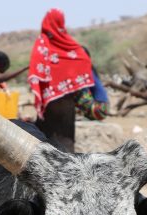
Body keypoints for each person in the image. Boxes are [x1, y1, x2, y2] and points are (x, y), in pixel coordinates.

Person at [28, 9, 109, 151]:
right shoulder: (74, 68)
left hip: (38, 145)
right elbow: (99, 112)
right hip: (63, 150)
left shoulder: (41, 54)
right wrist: (89, 69)